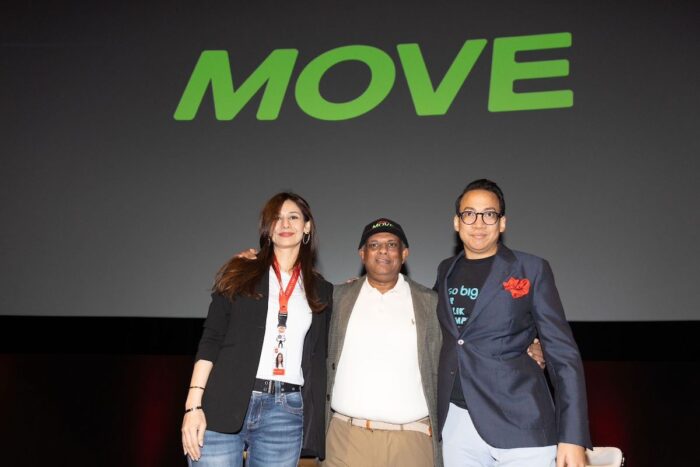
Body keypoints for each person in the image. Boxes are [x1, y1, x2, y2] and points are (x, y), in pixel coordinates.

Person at [435, 179, 591, 467]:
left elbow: (563, 355)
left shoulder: (531, 269)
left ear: (502, 223)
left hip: (521, 422)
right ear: (457, 222)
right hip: (458, 424)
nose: (478, 223)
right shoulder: (446, 270)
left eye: (489, 214)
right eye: (469, 213)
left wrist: (573, 436)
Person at [181, 192, 333, 467]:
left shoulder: (321, 290)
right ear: (268, 227)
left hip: (285, 411)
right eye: (276, 218)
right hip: (224, 400)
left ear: (307, 226)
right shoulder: (241, 271)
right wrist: (193, 406)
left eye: (293, 217)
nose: (285, 224)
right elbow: (211, 339)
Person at [323, 219, 442, 467]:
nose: (383, 251)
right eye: (374, 245)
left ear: (404, 253)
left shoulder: (431, 303)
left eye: (391, 244)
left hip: (411, 441)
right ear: (362, 254)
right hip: (346, 438)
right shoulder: (336, 298)